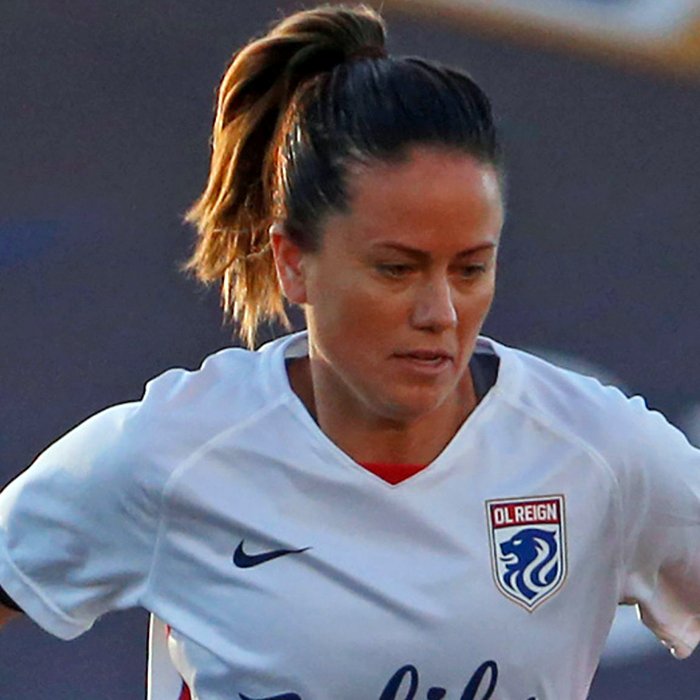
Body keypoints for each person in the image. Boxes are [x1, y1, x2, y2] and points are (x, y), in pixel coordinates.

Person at [0, 4, 698, 699]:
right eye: (396, 269)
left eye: (470, 268)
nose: (440, 313)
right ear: (293, 263)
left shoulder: (600, 455)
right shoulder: (174, 452)